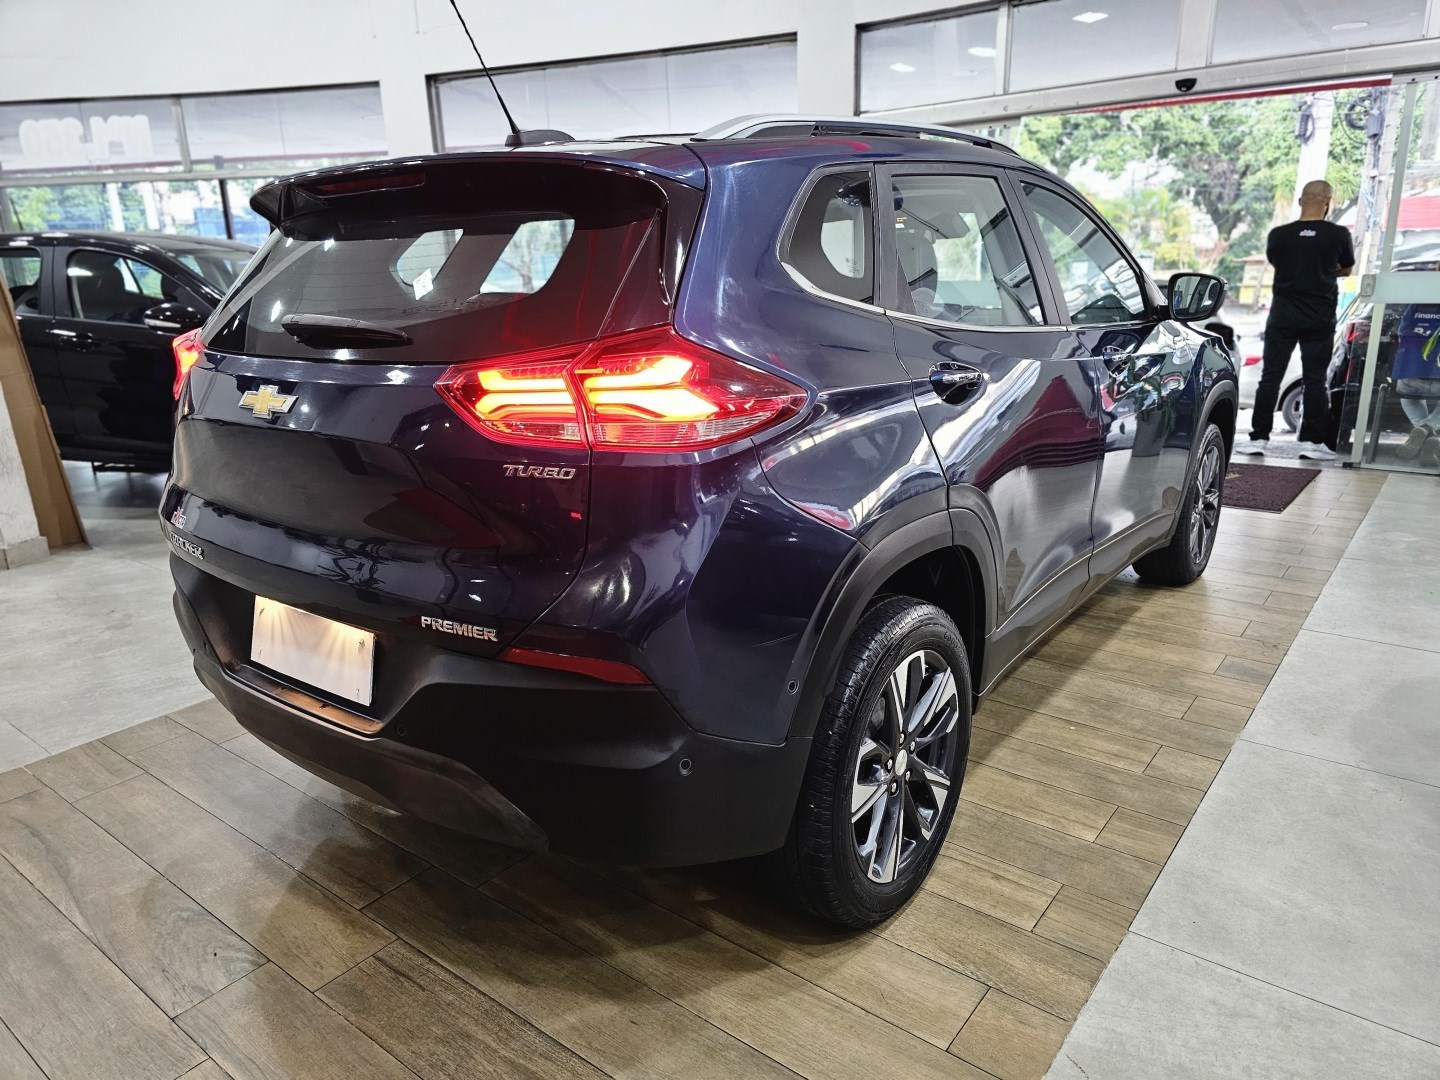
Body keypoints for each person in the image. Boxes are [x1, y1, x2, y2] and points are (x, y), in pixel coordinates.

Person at [1236, 180, 1355, 460]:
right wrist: (1326, 270)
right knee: (1315, 381)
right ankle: (1312, 444)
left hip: (1282, 317)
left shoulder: (1279, 235)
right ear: (1328, 201)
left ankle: (1258, 438)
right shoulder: (1338, 234)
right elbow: (1347, 269)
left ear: (1301, 201)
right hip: (1319, 318)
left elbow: (1282, 264)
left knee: (1270, 377)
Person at [1390, 293, 1440, 466]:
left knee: (1409, 399)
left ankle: (1422, 432)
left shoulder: (1416, 304)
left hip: (1410, 377)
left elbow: (1401, 334)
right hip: (1438, 378)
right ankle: (1429, 429)